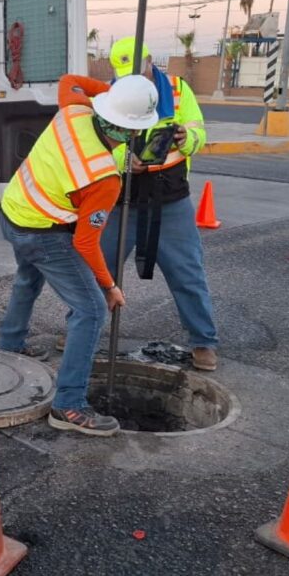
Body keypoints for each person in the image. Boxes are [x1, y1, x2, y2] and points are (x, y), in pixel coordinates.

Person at [0, 72, 160, 436]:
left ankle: (10, 344)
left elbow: (71, 79)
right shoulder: (104, 179)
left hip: (12, 212)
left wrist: (111, 93)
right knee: (91, 310)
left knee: (28, 279)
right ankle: (69, 406)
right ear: (131, 130)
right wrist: (109, 286)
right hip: (42, 231)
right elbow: (86, 243)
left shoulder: (74, 111)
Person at [102, 36, 219, 371]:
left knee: (187, 272)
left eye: (135, 71)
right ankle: (81, 326)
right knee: (99, 269)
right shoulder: (109, 96)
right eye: (122, 74)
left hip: (170, 198)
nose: (129, 81)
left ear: (150, 60)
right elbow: (101, 143)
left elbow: (199, 131)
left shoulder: (179, 89)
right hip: (120, 198)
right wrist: (125, 159)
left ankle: (203, 341)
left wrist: (187, 139)